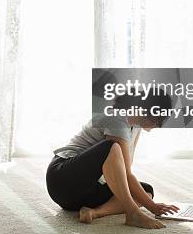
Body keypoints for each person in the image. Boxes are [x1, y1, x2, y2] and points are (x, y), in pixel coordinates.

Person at [46, 87, 178, 229]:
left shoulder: (135, 127)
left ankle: (94, 212)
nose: (160, 124)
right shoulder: (116, 118)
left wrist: (152, 204)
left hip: (81, 194)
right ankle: (132, 213)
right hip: (62, 180)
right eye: (160, 117)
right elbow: (126, 173)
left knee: (146, 191)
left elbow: (123, 172)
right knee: (112, 147)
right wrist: (153, 207)